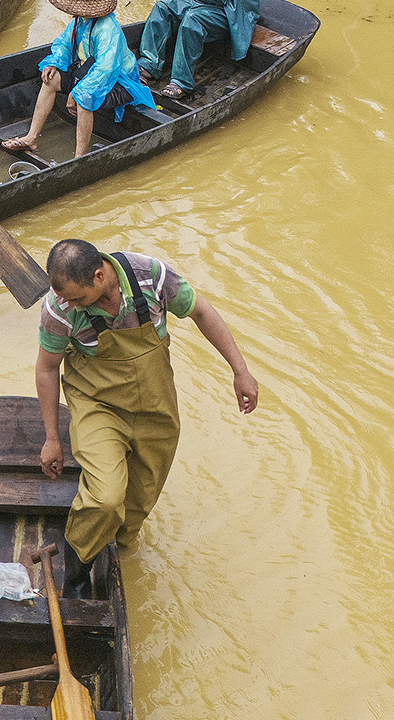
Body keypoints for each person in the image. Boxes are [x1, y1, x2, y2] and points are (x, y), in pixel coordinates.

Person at [35, 238, 259, 595]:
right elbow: (47, 369)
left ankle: (117, 555)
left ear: (98, 276)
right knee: (106, 498)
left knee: (138, 499)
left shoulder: (150, 276)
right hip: (98, 405)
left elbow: (202, 311)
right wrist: (52, 438)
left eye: (77, 297)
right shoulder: (59, 308)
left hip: (156, 404)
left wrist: (240, 371)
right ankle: (76, 574)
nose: (68, 303)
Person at [2, 0, 155, 159]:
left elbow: (106, 70)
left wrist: (76, 92)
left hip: (119, 82)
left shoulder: (108, 28)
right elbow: (64, 45)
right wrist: (54, 62)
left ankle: (79, 156)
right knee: (51, 79)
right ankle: (31, 138)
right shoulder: (79, 21)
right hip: (89, 72)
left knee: (84, 98)